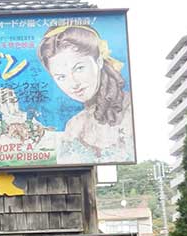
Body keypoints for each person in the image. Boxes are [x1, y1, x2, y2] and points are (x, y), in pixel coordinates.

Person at [37, 25, 134, 163]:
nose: (73, 83)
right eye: (61, 77)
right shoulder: (73, 125)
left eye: (79, 68)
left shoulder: (130, 109)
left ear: (99, 61)